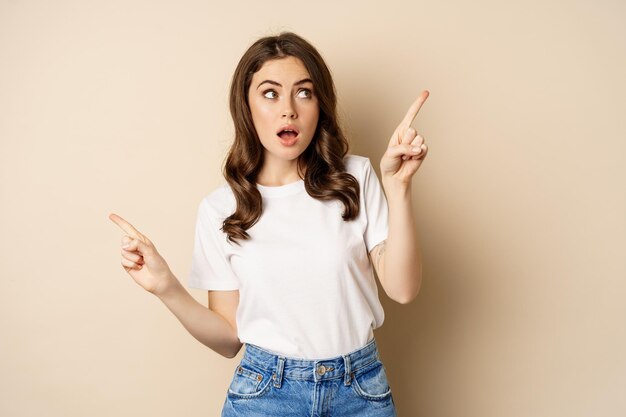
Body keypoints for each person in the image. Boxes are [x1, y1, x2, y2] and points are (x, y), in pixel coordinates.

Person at [109, 31, 428, 417]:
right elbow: (229, 339)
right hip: (265, 396)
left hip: (359, 391)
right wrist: (166, 288)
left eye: (304, 92)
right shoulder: (221, 209)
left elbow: (403, 289)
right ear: (246, 105)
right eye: (271, 93)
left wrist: (399, 188)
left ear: (320, 105)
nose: (289, 109)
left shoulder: (355, 178)